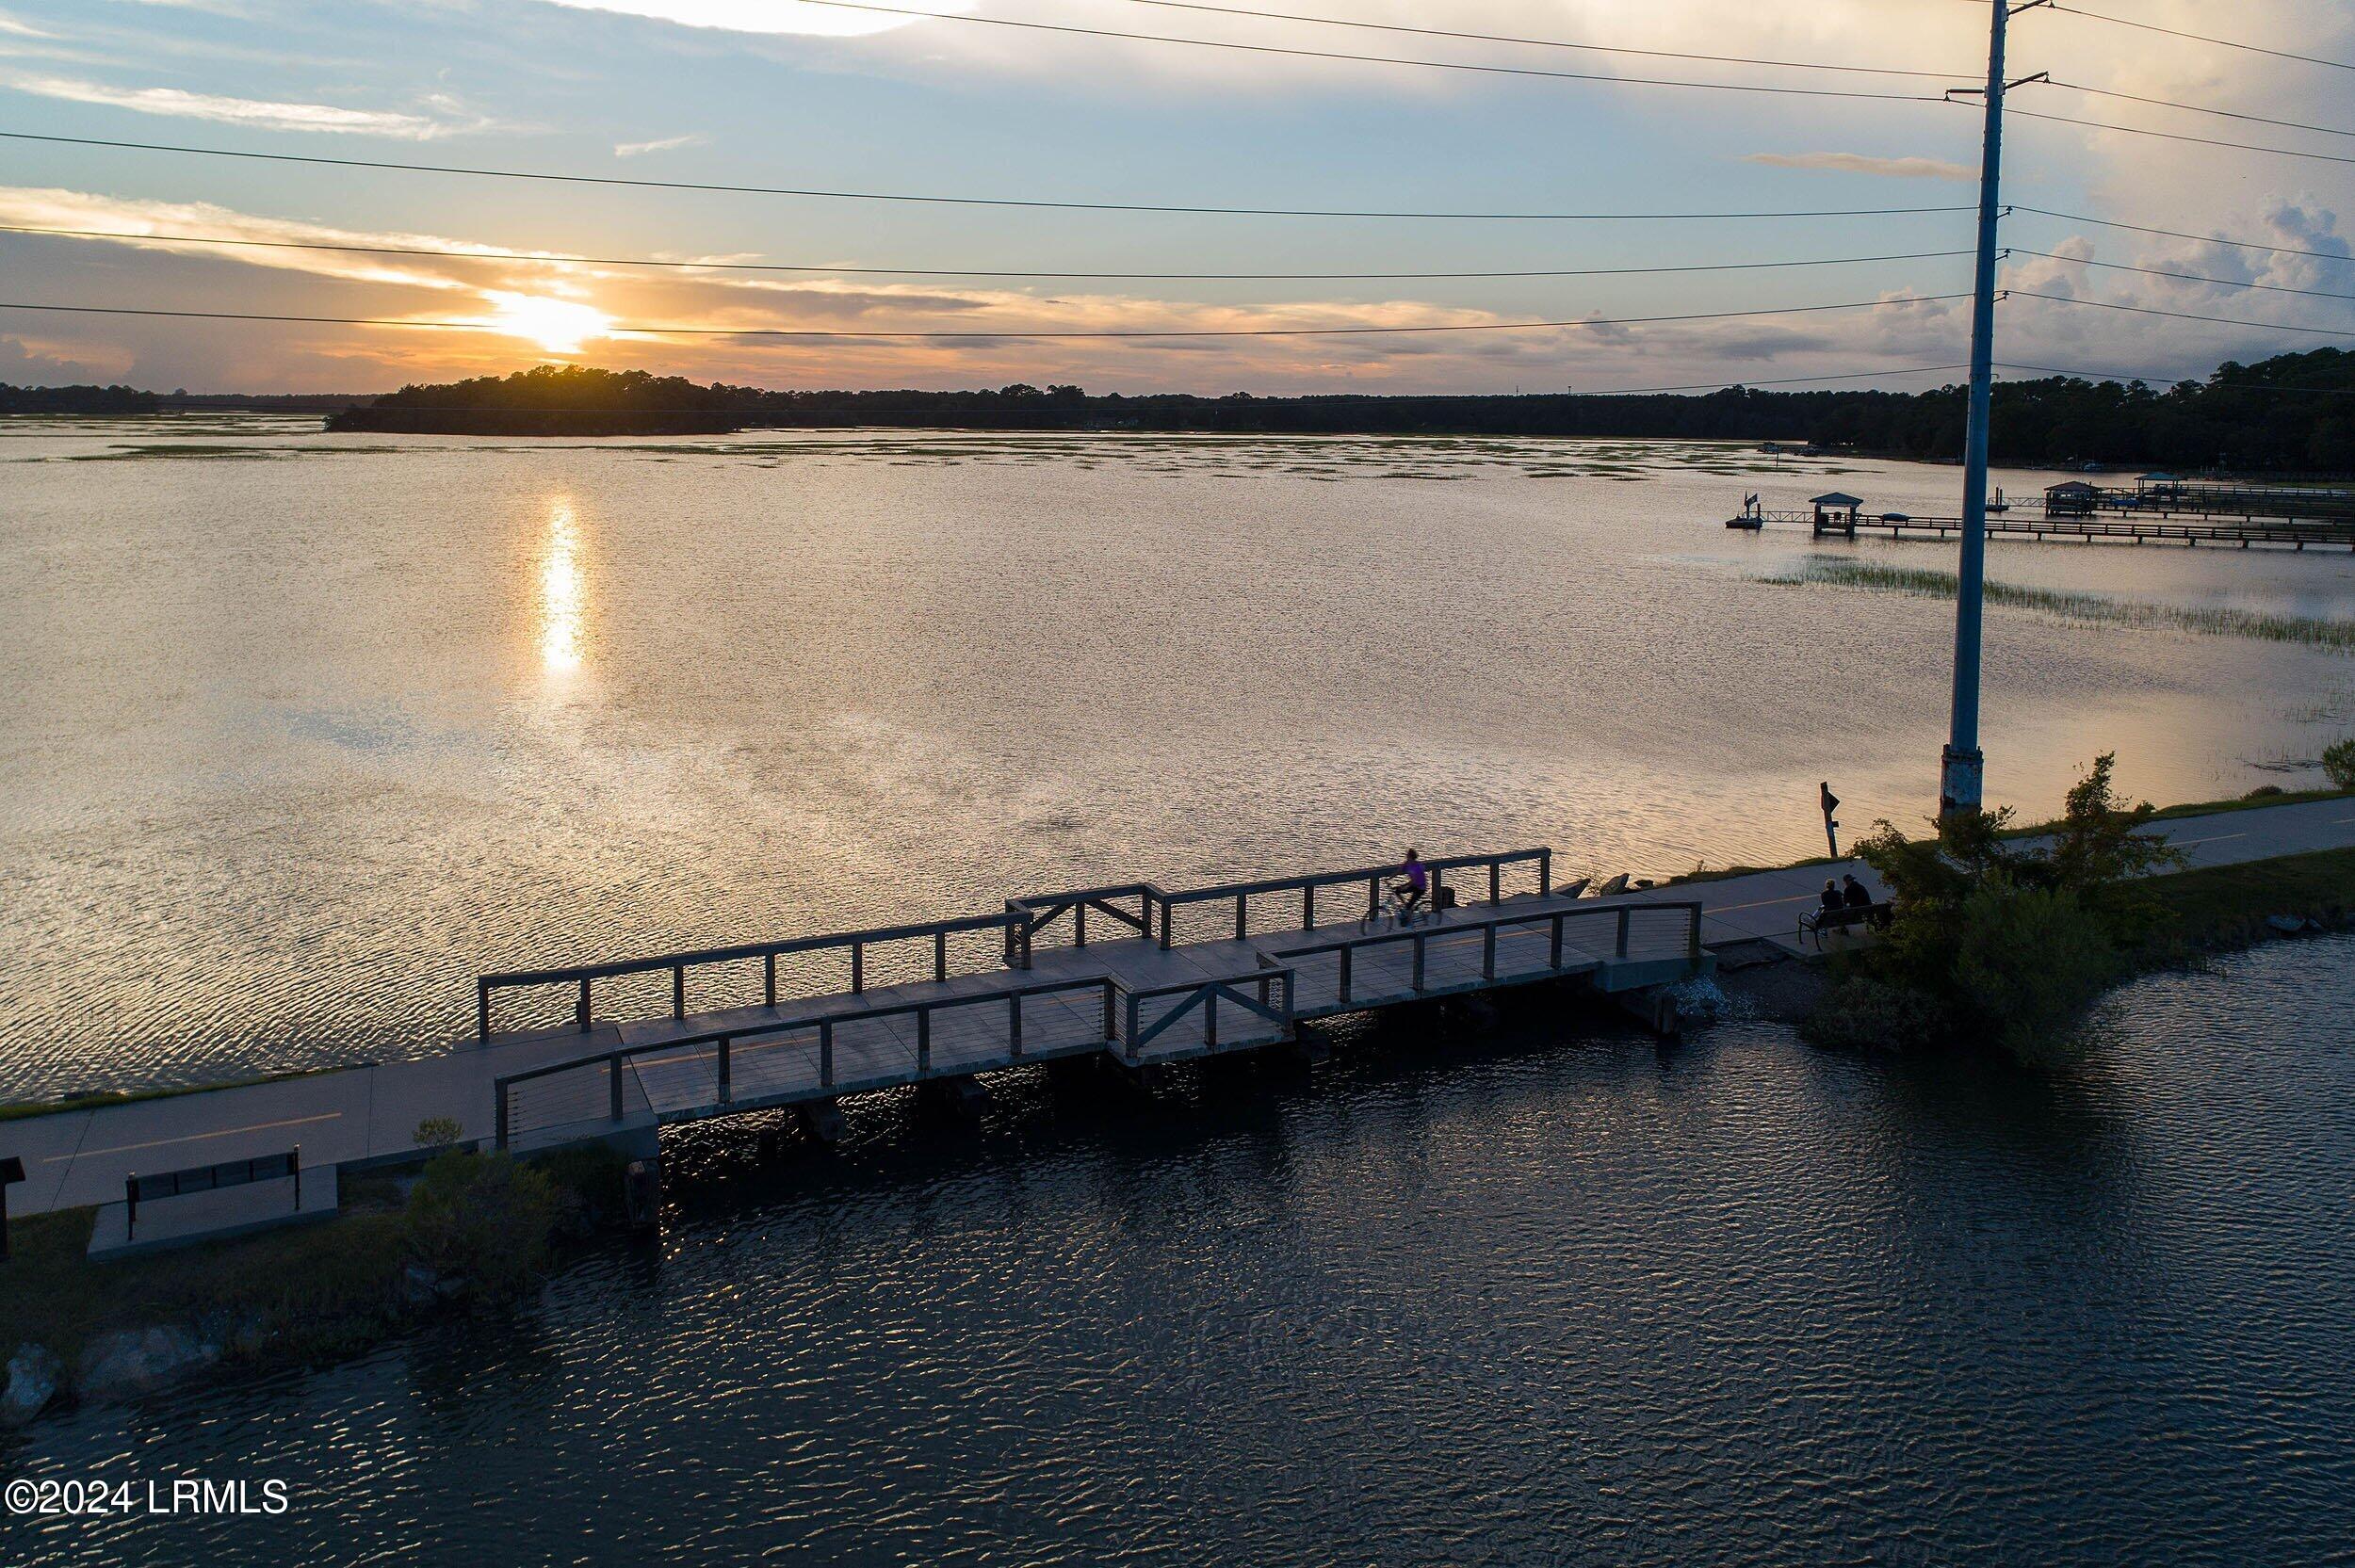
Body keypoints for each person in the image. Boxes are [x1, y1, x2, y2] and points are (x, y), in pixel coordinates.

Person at [1392, 849, 1429, 924]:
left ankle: (1409, 919)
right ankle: (1407, 909)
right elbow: (1400, 870)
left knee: (1409, 904)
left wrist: (1405, 886)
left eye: (1407, 856)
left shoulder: (1417, 867)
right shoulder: (1408, 863)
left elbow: (1413, 881)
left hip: (1420, 888)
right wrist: (1390, 877)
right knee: (1398, 891)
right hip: (1414, 885)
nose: (1406, 857)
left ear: (1410, 857)